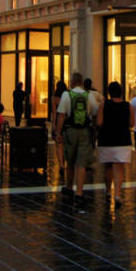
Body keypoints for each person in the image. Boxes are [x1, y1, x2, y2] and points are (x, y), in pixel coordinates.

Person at [55, 72, 100, 208]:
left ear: (72, 82)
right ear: (81, 82)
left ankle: (69, 187)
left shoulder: (66, 95)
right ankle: (79, 192)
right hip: (85, 131)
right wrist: (94, 130)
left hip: (70, 131)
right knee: (81, 163)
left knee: (70, 160)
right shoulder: (88, 95)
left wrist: (58, 133)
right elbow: (95, 113)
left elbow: (61, 115)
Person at [97, 81, 134, 209]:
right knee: (119, 169)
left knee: (108, 167)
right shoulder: (128, 106)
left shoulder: (104, 104)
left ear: (109, 92)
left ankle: (108, 191)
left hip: (106, 140)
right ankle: (117, 195)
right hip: (123, 140)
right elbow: (132, 123)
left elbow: (99, 122)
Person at [50, 80, 68, 178]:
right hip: (67, 122)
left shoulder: (54, 98)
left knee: (59, 144)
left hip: (58, 122)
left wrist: (53, 124)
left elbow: (54, 113)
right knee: (66, 144)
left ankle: (61, 164)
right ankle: (66, 162)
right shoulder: (67, 97)